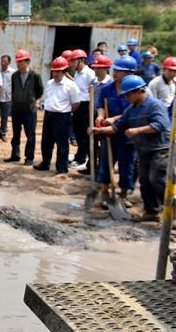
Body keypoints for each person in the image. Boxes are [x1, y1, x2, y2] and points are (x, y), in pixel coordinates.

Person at [91, 75, 172, 222]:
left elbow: (161, 125)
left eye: (128, 94)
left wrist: (138, 130)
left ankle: (171, 213)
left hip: (160, 150)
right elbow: (117, 127)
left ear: (138, 91)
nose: (126, 98)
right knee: (145, 181)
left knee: (157, 179)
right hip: (144, 150)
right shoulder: (131, 109)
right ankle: (151, 212)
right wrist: (99, 130)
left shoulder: (154, 105)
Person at [93, 56, 139, 208]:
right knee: (106, 162)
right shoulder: (108, 88)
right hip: (109, 133)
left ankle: (124, 194)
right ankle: (104, 192)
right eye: (115, 70)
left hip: (127, 133)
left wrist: (114, 119)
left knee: (127, 165)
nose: (115, 73)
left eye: (119, 71)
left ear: (129, 73)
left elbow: (132, 111)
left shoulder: (134, 90)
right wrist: (100, 116)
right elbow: (100, 104)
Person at [34, 56, 80, 175]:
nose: (55, 73)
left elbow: (76, 103)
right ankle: (45, 163)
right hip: (49, 115)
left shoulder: (71, 85)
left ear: (64, 71)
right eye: (54, 71)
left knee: (62, 144)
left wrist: (66, 112)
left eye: (58, 71)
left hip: (62, 116)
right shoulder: (49, 83)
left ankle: (61, 168)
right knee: (46, 142)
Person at [6, 49, 43, 165]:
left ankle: (29, 157)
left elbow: (39, 91)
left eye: (21, 61)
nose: (18, 64)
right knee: (16, 134)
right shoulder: (15, 75)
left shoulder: (35, 75)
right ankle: (15, 155)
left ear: (27, 61)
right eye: (17, 61)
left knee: (30, 135)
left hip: (29, 109)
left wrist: (32, 99)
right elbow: (13, 89)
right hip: (16, 109)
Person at [68, 49, 94, 168]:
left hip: (86, 106)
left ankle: (82, 158)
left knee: (84, 134)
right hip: (77, 105)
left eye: (73, 61)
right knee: (78, 133)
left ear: (81, 60)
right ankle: (80, 155)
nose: (71, 64)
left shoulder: (89, 74)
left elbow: (92, 92)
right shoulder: (77, 73)